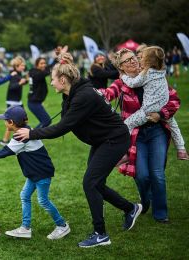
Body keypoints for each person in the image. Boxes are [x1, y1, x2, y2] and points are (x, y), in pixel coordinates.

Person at [14, 53, 142, 248]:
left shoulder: (83, 96)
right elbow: (64, 118)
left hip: (114, 140)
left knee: (90, 182)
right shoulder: (72, 93)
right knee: (95, 183)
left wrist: (32, 134)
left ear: (63, 80)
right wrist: (64, 63)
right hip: (102, 140)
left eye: (53, 79)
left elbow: (63, 127)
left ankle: (101, 234)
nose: (51, 83)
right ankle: (130, 208)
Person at [102, 48, 182, 223]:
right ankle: (145, 202)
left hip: (156, 132)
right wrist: (97, 93)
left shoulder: (153, 75)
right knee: (142, 175)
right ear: (121, 68)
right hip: (136, 135)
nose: (133, 61)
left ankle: (161, 213)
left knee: (157, 174)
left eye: (133, 58)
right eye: (127, 61)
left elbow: (175, 100)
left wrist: (160, 115)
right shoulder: (121, 83)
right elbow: (109, 93)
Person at [0, 106, 70, 240]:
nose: (4, 122)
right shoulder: (27, 130)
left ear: (11, 123)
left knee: (43, 200)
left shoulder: (21, 136)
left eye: (5, 120)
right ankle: (25, 228)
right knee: (24, 195)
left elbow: (5, 152)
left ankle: (62, 225)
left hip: (41, 173)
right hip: (34, 173)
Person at [120, 46, 187, 160]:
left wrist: (124, 77)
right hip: (163, 107)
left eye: (141, 58)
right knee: (174, 126)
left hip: (148, 111)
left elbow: (133, 83)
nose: (138, 60)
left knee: (127, 125)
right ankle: (181, 150)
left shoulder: (146, 73)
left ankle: (124, 153)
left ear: (147, 61)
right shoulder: (162, 72)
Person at [0, 56, 28, 145]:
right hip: (12, 101)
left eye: (24, 65)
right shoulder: (14, 74)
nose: (23, 67)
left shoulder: (19, 74)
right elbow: (12, 87)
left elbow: (22, 81)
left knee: (23, 120)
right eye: (22, 65)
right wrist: (21, 82)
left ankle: (20, 137)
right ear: (16, 66)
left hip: (18, 101)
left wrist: (25, 80)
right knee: (12, 122)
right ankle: (5, 141)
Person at [28, 57, 53, 128]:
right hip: (33, 103)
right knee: (46, 121)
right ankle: (32, 136)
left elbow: (48, 68)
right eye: (41, 63)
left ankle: (33, 136)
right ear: (36, 65)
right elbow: (44, 73)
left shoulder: (36, 71)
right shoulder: (35, 73)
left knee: (45, 121)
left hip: (36, 102)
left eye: (45, 63)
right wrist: (51, 69)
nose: (44, 65)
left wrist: (57, 58)